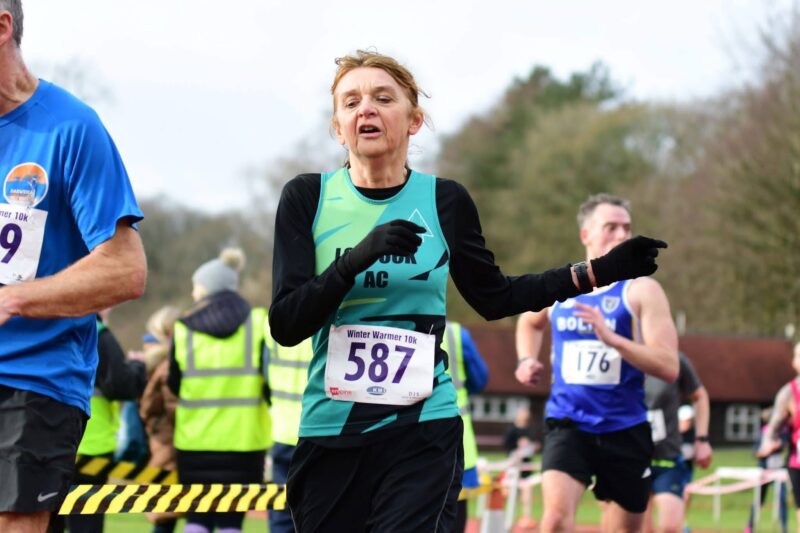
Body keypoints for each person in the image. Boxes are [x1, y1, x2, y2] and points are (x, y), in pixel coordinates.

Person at [269, 49, 668, 532]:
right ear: (338, 127)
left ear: (414, 120)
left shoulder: (444, 200)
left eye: (383, 98)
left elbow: (497, 297)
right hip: (332, 428)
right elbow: (286, 324)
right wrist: (356, 259)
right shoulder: (308, 198)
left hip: (421, 427)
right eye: (351, 102)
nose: (366, 109)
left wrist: (599, 271)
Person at [0, 2, 147, 531]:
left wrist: (14, 297)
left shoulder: (71, 127)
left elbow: (125, 269)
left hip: (32, 378)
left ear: (2, 27)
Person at [515, 193, 679, 532]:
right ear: (586, 235)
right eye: (611, 228)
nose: (622, 235)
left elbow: (668, 366)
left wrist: (614, 339)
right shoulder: (562, 286)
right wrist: (526, 359)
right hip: (568, 423)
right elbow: (528, 322)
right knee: (554, 521)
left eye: (627, 228)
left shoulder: (642, 291)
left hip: (624, 428)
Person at [168, 248, 272, 533]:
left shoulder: (183, 328)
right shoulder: (257, 323)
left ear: (207, 289)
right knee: (232, 519)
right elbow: (269, 380)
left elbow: (173, 384)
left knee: (197, 517)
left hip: (194, 442)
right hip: (245, 442)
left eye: (196, 287)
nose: (193, 293)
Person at [639, 351, 712, 533]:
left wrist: (702, 439)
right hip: (633, 459)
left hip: (667, 458)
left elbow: (699, 395)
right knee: (640, 528)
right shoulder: (620, 353)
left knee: (670, 527)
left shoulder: (674, 359)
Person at [263, 320, 314, 533]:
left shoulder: (272, 322)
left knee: (281, 513)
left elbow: (265, 376)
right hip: (316, 429)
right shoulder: (328, 316)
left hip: (283, 431)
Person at [441, 320, 489, 533]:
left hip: (402, 438)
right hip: (456, 440)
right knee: (454, 511)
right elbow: (479, 379)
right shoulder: (456, 334)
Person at [139, 305, 182, 533]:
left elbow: (146, 409)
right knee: (167, 513)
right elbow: (174, 408)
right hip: (171, 442)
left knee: (165, 512)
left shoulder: (148, 363)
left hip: (158, 441)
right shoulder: (168, 366)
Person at [757, 341, 800, 530]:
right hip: (798, 462)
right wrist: (768, 443)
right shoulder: (788, 393)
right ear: (795, 362)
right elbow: (773, 428)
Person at [747, 408, 788, 533]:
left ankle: (784, 528)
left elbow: (785, 443)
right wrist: (764, 452)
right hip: (764, 470)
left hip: (778, 471)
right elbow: (755, 452)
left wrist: (778, 445)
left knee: (781, 499)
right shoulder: (763, 433)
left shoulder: (782, 432)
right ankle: (750, 526)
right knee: (759, 499)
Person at [502, 406, 540, 531]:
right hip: (513, 467)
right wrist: (517, 446)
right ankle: (506, 516)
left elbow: (535, 444)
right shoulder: (512, 430)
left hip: (526, 467)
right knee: (509, 492)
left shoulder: (529, 430)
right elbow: (506, 445)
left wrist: (532, 446)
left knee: (526, 491)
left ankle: (526, 517)